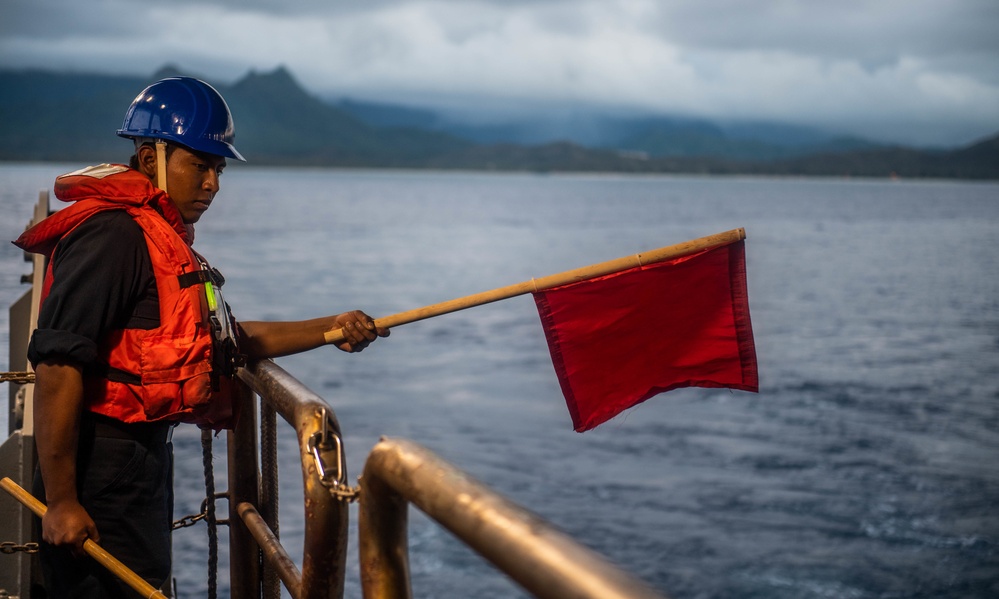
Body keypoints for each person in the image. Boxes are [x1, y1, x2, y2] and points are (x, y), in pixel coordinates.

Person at [13, 76, 389, 597]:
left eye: (218, 168)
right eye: (201, 165)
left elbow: (229, 340)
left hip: (140, 466)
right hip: (97, 472)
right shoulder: (115, 235)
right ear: (150, 159)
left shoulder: (158, 239)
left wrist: (330, 328)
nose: (213, 183)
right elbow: (57, 362)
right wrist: (61, 500)